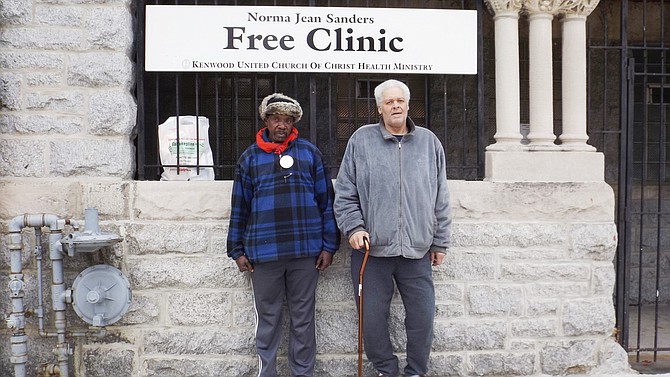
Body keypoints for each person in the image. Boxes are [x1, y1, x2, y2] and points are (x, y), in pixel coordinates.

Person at [333, 79, 452, 377]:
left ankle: (416, 372)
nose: (395, 106)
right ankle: (387, 370)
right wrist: (354, 228)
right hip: (371, 251)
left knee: (422, 318)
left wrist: (439, 242)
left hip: (417, 251)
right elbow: (345, 193)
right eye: (389, 102)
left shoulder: (429, 143)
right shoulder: (361, 140)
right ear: (379, 108)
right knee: (371, 318)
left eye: (400, 100)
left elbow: (441, 196)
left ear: (408, 105)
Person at [227, 92, 340, 377]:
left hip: (306, 252)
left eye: (287, 120)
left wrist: (329, 246)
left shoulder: (309, 153)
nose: (282, 125)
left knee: (303, 319)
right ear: (265, 120)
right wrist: (237, 250)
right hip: (264, 254)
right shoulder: (250, 158)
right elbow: (239, 206)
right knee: (268, 318)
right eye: (276, 119)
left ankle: (302, 373)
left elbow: (327, 203)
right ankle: (267, 372)